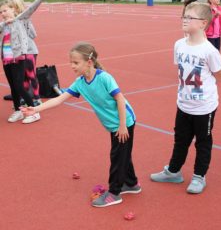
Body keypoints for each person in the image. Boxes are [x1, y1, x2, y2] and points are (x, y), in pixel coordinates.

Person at [21, 42, 141, 207]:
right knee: (122, 153)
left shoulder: (104, 78)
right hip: (114, 124)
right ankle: (132, 183)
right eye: (71, 62)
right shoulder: (80, 83)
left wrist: (122, 126)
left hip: (124, 121)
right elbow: (59, 99)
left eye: (76, 63)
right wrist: (36, 109)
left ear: (89, 62)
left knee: (117, 156)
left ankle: (114, 193)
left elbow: (120, 99)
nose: (72, 66)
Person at [150, 2, 221, 194]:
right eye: (183, 16)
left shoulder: (209, 51)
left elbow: (220, 76)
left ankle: (199, 176)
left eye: (189, 17)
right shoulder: (179, 45)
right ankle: (174, 171)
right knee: (180, 139)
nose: (184, 19)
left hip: (204, 107)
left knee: (203, 141)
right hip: (183, 104)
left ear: (203, 23)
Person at [0, 0, 50, 123]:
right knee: (13, 86)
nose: (2, 14)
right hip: (6, 60)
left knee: (19, 86)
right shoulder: (3, 26)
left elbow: (31, 8)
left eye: (4, 10)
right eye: (1, 12)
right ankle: (18, 110)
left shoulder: (20, 20)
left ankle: (34, 111)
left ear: (13, 9)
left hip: (18, 59)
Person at [6, 0, 42, 106]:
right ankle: (25, 98)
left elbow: (33, 34)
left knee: (31, 75)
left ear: (16, 8)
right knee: (23, 77)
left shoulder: (24, 19)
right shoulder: (9, 21)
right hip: (20, 52)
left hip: (29, 50)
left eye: (11, 7)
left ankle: (37, 98)